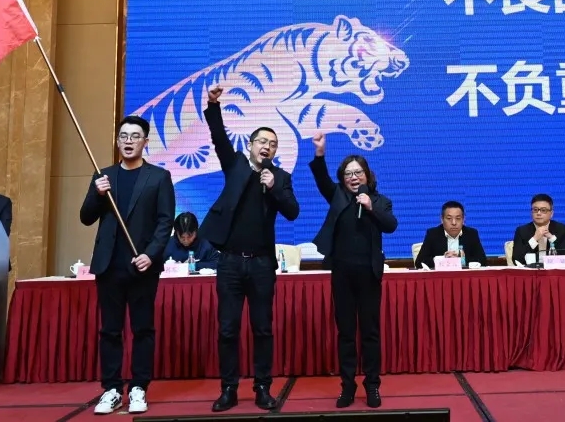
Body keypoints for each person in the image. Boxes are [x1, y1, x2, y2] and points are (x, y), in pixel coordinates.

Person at [199, 85, 300, 413]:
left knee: (262, 328)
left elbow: (293, 211)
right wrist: (213, 105)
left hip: (261, 265)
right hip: (229, 262)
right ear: (251, 145)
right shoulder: (235, 165)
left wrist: (274, 189)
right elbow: (218, 137)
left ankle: (262, 387)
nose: (267, 147)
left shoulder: (280, 177)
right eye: (262, 142)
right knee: (228, 329)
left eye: (273, 144)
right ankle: (228, 388)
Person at [80, 115, 175, 416]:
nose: (129, 141)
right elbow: (86, 217)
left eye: (135, 136)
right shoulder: (103, 176)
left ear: (146, 141)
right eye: (124, 136)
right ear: (117, 141)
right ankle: (111, 389)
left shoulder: (159, 177)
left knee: (142, 329)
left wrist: (151, 254)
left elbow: (165, 221)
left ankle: (138, 388)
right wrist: (97, 194)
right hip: (109, 265)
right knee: (110, 330)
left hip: (142, 265)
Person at [310, 132, 397, 409]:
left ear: (367, 175)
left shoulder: (380, 201)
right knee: (346, 333)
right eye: (348, 173)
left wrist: (370, 207)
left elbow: (390, 225)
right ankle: (347, 387)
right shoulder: (337, 196)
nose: (353, 177)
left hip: (369, 275)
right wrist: (320, 154)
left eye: (358, 172)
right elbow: (321, 179)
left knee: (370, 333)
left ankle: (372, 386)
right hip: (342, 275)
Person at [415, 201, 489, 269]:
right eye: (449, 218)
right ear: (442, 219)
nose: (454, 223)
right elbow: (419, 263)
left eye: (458, 218)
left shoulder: (471, 234)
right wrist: (442, 260)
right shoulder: (433, 234)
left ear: (463, 219)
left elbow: (483, 261)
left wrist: (461, 260)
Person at [511, 194, 565, 265]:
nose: (538, 213)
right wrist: (534, 239)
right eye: (535, 210)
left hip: (553, 270)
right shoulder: (521, 231)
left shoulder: (561, 229)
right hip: (531, 270)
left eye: (543, 210)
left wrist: (551, 238)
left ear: (551, 213)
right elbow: (516, 259)